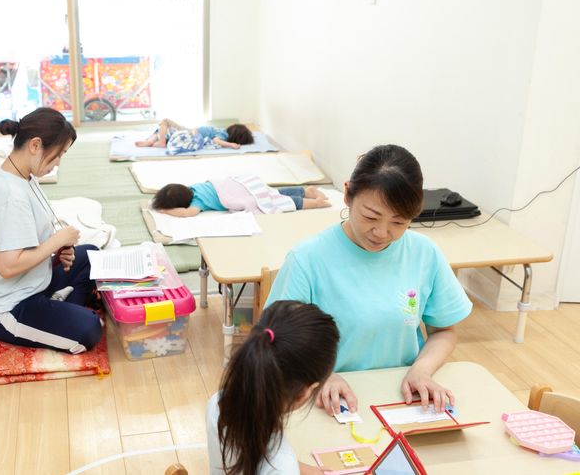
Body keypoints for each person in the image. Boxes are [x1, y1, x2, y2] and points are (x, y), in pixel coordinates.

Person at [265, 144, 472, 416]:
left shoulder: (424, 253)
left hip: (402, 400)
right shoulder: (307, 259)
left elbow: (443, 331)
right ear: (347, 194)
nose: (382, 233)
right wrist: (322, 376)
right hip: (329, 402)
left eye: (399, 222)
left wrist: (421, 371)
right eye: (371, 217)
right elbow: (276, 342)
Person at [0, 107, 102, 354]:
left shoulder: (24, 176)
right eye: (57, 155)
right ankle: (64, 308)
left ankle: (60, 305)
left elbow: (27, 243)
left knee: (92, 255)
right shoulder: (11, 197)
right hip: (10, 307)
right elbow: (8, 266)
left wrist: (56, 254)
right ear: (35, 145)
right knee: (90, 328)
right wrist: (56, 241)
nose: (58, 163)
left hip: (35, 283)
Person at [207, 300, 339, 475]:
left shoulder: (219, 402)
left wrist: (301, 469)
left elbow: (256, 455)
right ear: (305, 393)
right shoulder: (283, 466)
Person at [152, 179, 330, 218]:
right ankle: (306, 190)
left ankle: (315, 203)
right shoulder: (196, 186)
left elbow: (187, 214)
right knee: (272, 192)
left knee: (275, 201)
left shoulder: (197, 202)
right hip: (243, 184)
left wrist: (165, 211)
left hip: (240, 193)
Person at [135, 119, 254, 154]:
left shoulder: (223, 135)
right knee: (163, 130)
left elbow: (217, 140)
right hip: (190, 131)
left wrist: (231, 145)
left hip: (190, 132)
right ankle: (151, 142)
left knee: (165, 122)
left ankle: (160, 142)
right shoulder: (223, 131)